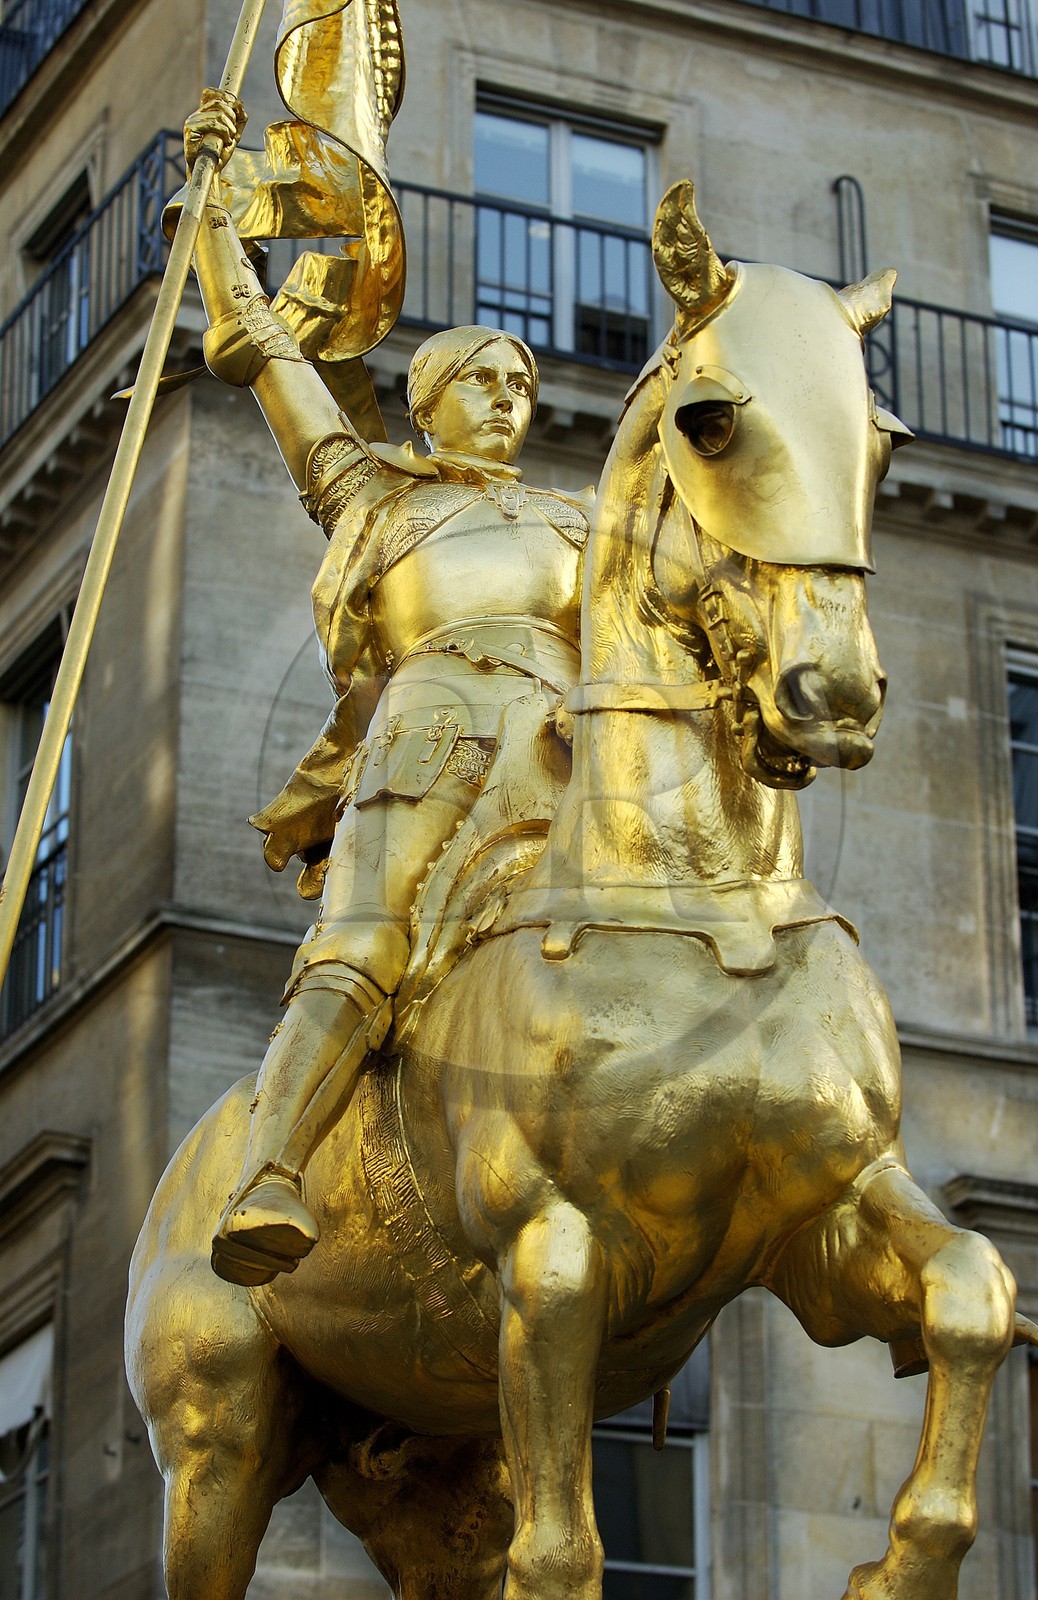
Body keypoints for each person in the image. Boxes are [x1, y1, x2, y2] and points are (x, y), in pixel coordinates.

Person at [184, 92, 589, 1287]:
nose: (511, 395)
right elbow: (262, 345)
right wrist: (214, 218)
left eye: (522, 381)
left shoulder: (581, 520)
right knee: (364, 936)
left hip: (574, 744)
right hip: (432, 730)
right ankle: (269, 1164)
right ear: (431, 396)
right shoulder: (375, 497)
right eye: (485, 378)